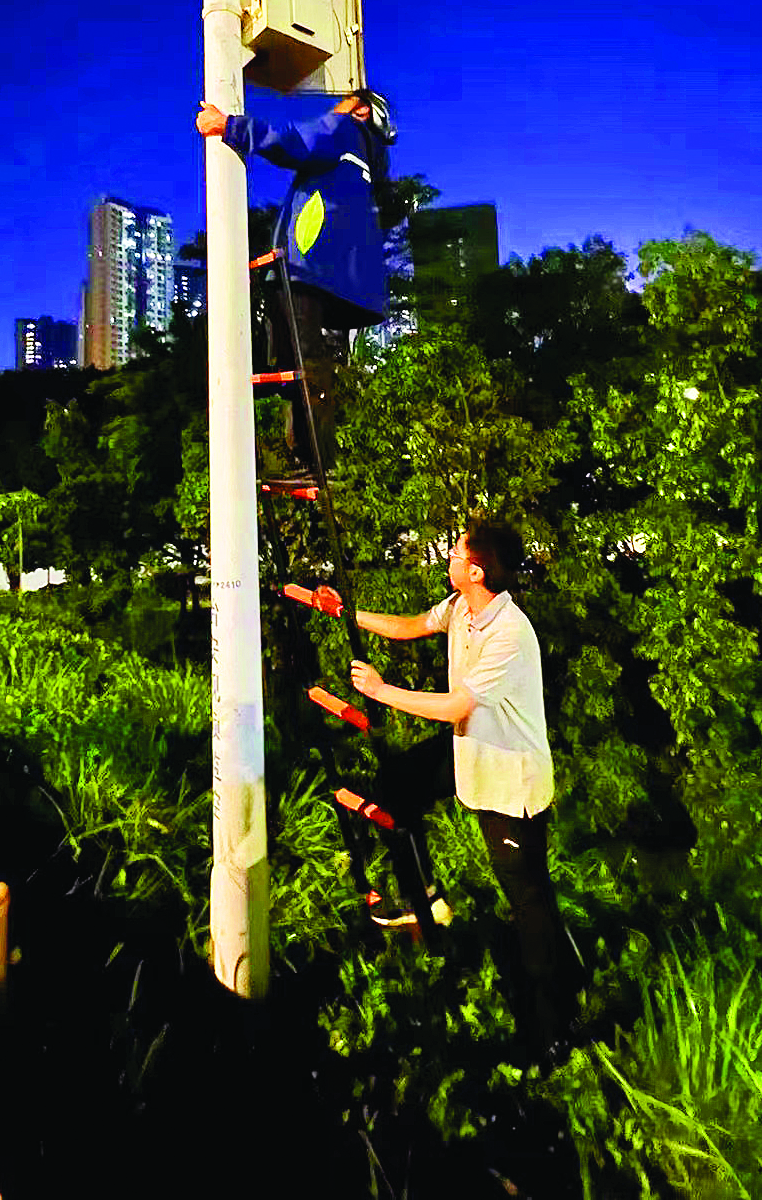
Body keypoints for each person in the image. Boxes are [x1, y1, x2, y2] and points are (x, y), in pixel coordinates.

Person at [338, 518, 584, 1062]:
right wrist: (345, 612)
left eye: (455, 552)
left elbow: (455, 706)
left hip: (509, 781)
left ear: (476, 571)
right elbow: (409, 626)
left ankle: (555, 1031)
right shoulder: (460, 609)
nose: (448, 558)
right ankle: (427, 898)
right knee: (398, 784)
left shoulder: (509, 633)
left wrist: (380, 690)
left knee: (528, 900)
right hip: (471, 755)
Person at [195, 88, 396, 474]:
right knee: (304, 359)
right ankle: (311, 456)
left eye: (341, 103)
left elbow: (296, 141)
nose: (333, 108)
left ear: (359, 109)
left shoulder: (344, 129)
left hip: (308, 261)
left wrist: (230, 126)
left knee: (300, 358)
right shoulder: (370, 160)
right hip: (336, 273)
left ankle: (314, 458)